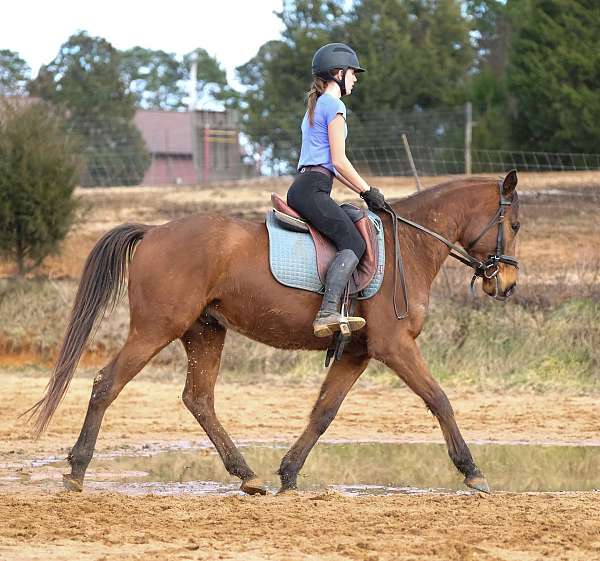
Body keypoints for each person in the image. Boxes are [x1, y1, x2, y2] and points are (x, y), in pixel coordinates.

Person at [287, 42, 387, 338]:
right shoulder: (335, 106)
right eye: (353, 73)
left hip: (307, 185)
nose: (355, 79)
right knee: (355, 244)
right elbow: (339, 161)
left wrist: (361, 192)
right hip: (314, 188)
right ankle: (328, 311)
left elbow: (330, 164)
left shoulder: (317, 106)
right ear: (337, 73)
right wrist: (368, 191)